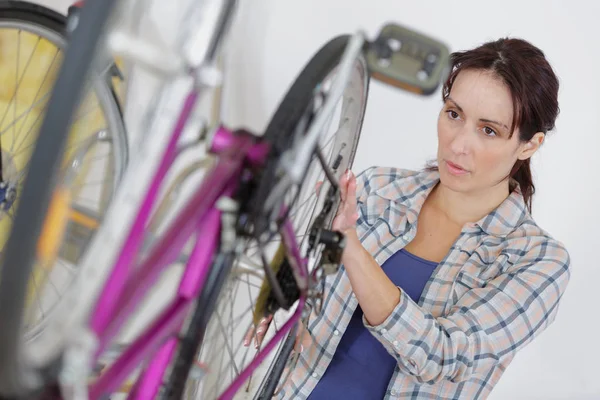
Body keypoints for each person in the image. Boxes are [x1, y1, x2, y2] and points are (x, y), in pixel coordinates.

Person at [251, 37, 571, 400]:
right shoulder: (378, 189)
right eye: (454, 114)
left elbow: (440, 359)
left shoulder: (539, 262)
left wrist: (351, 248)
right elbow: (306, 282)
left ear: (529, 145)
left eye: (488, 130)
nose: (457, 144)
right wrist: (273, 308)